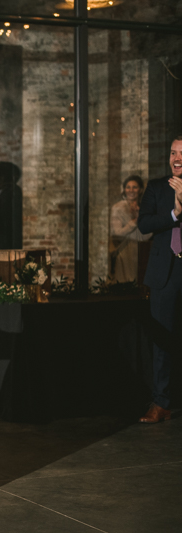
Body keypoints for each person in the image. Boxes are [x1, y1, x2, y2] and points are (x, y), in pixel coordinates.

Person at [137, 136, 182, 423]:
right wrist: (176, 211)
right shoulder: (156, 187)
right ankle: (161, 402)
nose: (177, 158)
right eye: (173, 152)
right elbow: (144, 225)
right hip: (166, 270)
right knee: (162, 338)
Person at [110, 176, 151, 283]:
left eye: (135, 187)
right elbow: (117, 233)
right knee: (125, 282)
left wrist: (140, 216)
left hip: (142, 252)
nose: (131, 190)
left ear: (140, 190)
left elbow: (148, 234)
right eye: (128, 187)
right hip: (125, 250)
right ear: (124, 190)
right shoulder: (118, 208)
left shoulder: (144, 208)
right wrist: (133, 223)